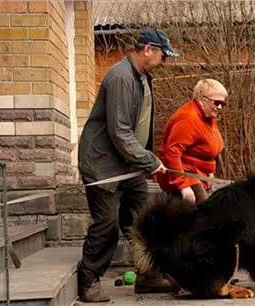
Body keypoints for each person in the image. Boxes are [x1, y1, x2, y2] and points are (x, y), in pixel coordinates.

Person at [77, 29, 180, 303]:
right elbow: (120, 132)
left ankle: (148, 277)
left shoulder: (143, 78)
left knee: (144, 219)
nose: (164, 61)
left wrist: (145, 159)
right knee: (106, 226)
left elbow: (139, 128)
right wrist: (151, 161)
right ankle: (88, 280)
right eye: (162, 55)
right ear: (147, 49)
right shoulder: (121, 77)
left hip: (128, 165)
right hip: (103, 165)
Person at [155, 79, 227, 204]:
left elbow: (209, 148)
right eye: (216, 102)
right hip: (183, 173)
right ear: (201, 99)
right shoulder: (188, 118)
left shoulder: (208, 117)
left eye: (223, 104)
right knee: (202, 209)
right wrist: (183, 186)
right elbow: (172, 152)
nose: (220, 107)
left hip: (197, 173)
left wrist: (209, 173)